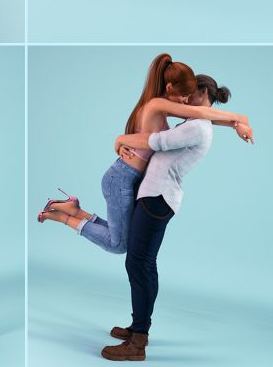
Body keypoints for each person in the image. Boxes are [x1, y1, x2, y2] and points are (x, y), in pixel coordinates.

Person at [100, 73, 253, 361]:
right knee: (145, 264)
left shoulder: (197, 128)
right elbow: (212, 117)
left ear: (203, 95)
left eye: (190, 94)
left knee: (138, 263)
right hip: (156, 197)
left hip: (157, 197)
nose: (183, 100)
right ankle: (138, 327)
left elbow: (157, 141)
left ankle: (138, 342)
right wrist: (238, 123)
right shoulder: (199, 123)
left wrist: (120, 138)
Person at [38, 54, 252, 256]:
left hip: (129, 178)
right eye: (184, 95)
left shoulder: (161, 104)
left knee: (123, 236)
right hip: (121, 177)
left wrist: (236, 126)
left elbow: (205, 119)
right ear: (169, 87)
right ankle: (62, 217)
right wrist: (241, 118)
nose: (185, 101)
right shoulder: (158, 104)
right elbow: (204, 113)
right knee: (118, 245)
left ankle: (74, 209)